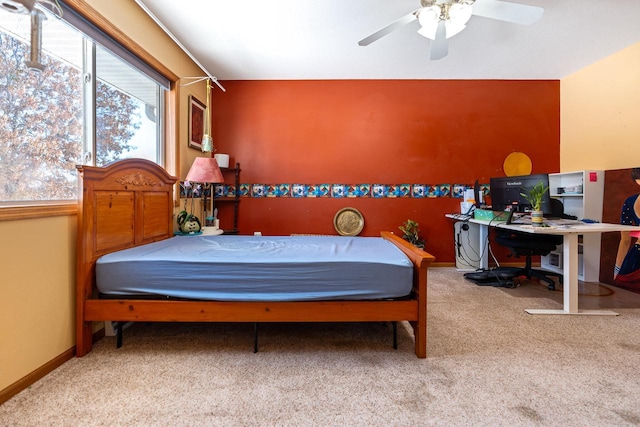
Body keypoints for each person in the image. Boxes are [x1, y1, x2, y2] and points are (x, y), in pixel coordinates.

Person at [614, 167, 640, 287]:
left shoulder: (630, 202)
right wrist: (617, 269)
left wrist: (617, 270)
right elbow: (625, 239)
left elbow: (625, 240)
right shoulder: (630, 202)